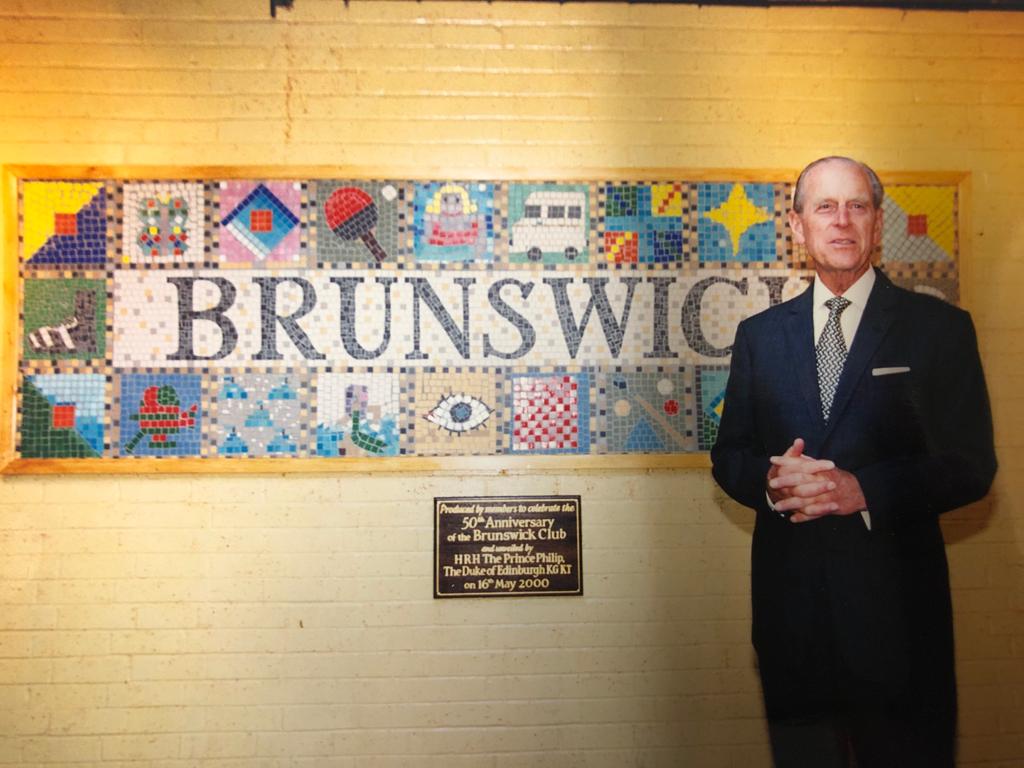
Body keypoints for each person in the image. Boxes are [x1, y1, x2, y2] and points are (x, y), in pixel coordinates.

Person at [710, 156, 996, 767]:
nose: (841, 221)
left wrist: (863, 490)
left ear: (876, 223)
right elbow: (729, 455)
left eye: (856, 206)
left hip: (901, 630)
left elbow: (972, 463)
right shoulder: (760, 336)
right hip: (792, 627)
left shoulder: (939, 328)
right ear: (798, 226)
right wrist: (770, 482)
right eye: (825, 207)